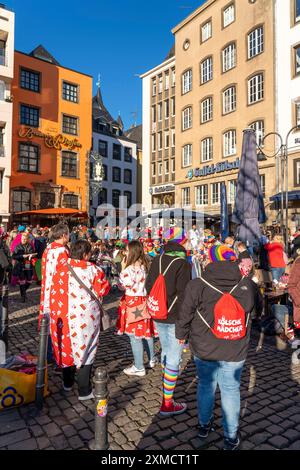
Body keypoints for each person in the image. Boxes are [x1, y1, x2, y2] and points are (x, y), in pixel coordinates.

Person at [176, 244, 263, 450]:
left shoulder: (197, 284)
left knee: (206, 385)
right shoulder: (248, 284)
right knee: (231, 388)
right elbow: (258, 311)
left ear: (210, 259)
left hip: (205, 345)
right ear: (233, 259)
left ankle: (204, 426)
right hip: (235, 346)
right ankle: (231, 436)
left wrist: (181, 335)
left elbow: (185, 312)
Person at [49, 240, 110, 400]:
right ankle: (84, 390)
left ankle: (67, 384)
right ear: (85, 254)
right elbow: (104, 289)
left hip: (62, 315)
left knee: (66, 347)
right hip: (85, 316)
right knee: (86, 349)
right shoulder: (93, 270)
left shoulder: (60, 268)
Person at [145, 228, 191, 416]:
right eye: (186, 240)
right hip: (175, 317)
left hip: (158, 313)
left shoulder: (158, 258)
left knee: (166, 351)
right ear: (181, 242)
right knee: (174, 358)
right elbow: (185, 296)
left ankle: (166, 386)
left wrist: (159, 304)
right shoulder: (182, 263)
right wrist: (185, 322)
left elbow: (148, 285)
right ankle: (167, 403)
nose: (189, 243)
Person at [116, 241, 157, 376]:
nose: (124, 253)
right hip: (143, 299)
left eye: (126, 251)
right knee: (146, 332)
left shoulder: (128, 270)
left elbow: (124, 285)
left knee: (135, 336)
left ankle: (139, 367)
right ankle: (152, 359)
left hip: (133, 302)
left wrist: (122, 269)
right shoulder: (145, 265)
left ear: (132, 252)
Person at [12, 232, 37, 302]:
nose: (23, 240)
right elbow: (14, 256)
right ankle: (23, 296)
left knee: (29, 280)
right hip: (19, 264)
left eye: (25, 239)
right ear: (21, 238)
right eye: (23, 239)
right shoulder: (17, 246)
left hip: (27, 263)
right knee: (22, 281)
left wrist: (32, 255)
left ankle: (23, 291)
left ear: (27, 239)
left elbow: (33, 253)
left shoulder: (30, 246)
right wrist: (22, 256)